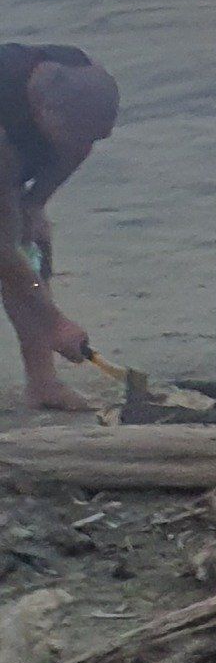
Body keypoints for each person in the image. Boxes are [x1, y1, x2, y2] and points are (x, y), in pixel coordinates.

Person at [0, 41, 120, 412]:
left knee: (32, 249)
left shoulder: (75, 78)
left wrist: (36, 203)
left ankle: (43, 385)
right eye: (74, 136)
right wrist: (55, 322)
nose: (82, 147)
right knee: (13, 258)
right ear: (43, 113)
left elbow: (82, 141)